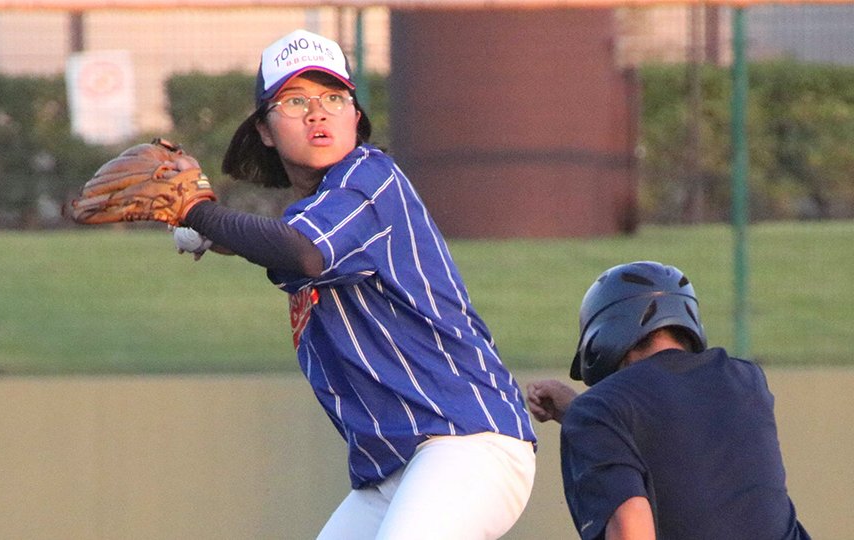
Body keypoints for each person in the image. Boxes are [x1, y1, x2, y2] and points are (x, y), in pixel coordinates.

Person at [174, 29, 537, 539]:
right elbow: (290, 237)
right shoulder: (316, 211)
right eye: (295, 100)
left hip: (467, 443)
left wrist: (199, 214)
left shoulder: (371, 178)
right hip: (393, 473)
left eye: (333, 98)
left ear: (355, 117)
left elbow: (304, 252)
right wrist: (218, 234)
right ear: (265, 129)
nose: (317, 113)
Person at [525, 261, 810, 540]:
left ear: (605, 332)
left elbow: (631, 530)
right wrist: (579, 411)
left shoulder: (598, 412)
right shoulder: (746, 380)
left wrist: (584, 415)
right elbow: (680, 436)